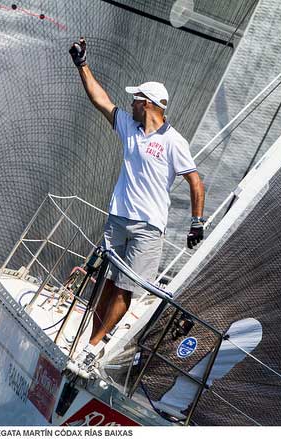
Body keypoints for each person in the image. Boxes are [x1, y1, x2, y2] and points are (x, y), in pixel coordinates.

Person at [69, 38, 206, 370]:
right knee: (107, 283)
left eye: (135, 100)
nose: (129, 104)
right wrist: (82, 64)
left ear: (147, 104)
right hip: (118, 220)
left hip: (148, 229)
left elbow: (196, 183)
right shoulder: (129, 128)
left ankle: (92, 347)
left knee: (125, 290)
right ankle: (91, 342)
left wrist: (196, 222)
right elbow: (100, 100)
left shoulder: (175, 142)